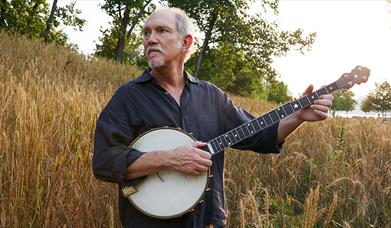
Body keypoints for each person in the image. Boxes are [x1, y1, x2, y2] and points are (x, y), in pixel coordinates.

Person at [92, 7, 333, 228]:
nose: (151, 39)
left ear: (186, 42)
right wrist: (170, 159)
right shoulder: (128, 97)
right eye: (146, 33)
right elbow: (104, 161)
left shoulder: (211, 95)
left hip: (208, 219)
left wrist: (298, 116)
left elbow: (258, 134)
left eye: (162, 31)